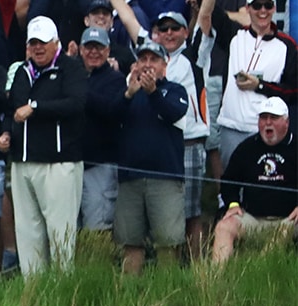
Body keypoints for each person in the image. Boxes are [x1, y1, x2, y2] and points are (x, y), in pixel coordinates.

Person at [0, 16, 87, 276]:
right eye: (33, 43)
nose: (38, 48)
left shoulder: (70, 68)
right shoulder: (21, 72)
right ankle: (34, 289)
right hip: (23, 162)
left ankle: (63, 289)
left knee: (61, 233)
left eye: (43, 42)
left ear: (56, 42)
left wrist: (36, 108)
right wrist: (6, 133)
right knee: (27, 232)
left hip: (58, 164)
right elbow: (11, 110)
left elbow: (76, 103)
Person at [113, 40, 188, 273]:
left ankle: (169, 291)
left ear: (164, 65)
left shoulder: (175, 90)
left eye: (154, 60)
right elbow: (111, 117)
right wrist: (128, 94)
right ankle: (129, 292)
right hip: (130, 179)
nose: (147, 64)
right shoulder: (127, 92)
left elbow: (174, 112)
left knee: (168, 243)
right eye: (143, 59)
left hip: (165, 178)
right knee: (130, 243)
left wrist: (153, 93)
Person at [198, 0, 297, 170]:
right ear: (248, 8)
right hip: (231, 127)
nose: (262, 11)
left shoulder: (287, 45)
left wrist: (260, 85)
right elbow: (208, 14)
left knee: (264, 182)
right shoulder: (234, 34)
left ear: (274, 8)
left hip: (265, 129)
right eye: (257, 6)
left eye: (267, 6)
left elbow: (293, 91)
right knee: (231, 182)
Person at [211, 97, 296, 265]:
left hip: (290, 220)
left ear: (286, 122)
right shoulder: (247, 148)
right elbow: (229, 182)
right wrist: (233, 204)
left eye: (273, 118)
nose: (268, 123)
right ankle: (215, 278)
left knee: (282, 233)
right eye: (263, 118)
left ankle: (257, 272)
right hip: (253, 219)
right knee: (224, 227)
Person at [77, 26, 123, 233]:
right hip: (72, 164)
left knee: (98, 229)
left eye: (99, 47)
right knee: (69, 229)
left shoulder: (116, 79)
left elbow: (111, 110)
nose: (93, 52)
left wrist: (80, 91)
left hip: (101, 166)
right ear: (81, 49)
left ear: (108, 50)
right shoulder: (73, 76)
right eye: (89, 47)